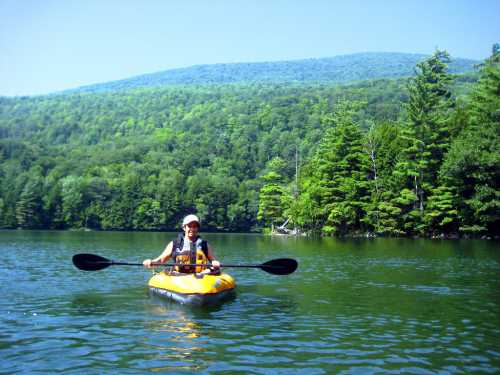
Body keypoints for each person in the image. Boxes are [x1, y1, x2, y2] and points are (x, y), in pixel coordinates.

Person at [143, 214, 221, 274]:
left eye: (195, 226)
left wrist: (215, 263)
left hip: (201, 276)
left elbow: (213, 260)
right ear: (184, 227)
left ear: (198, 228)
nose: (192, 229)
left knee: (212, 270)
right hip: (179, 276)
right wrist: (152, 262)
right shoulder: (174, 243)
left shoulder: (204, 244)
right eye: (189, 226)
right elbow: (161, 260)